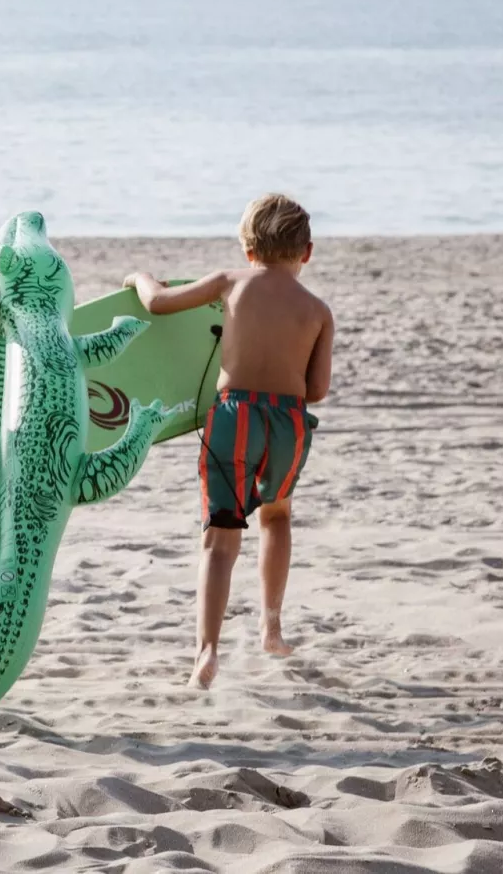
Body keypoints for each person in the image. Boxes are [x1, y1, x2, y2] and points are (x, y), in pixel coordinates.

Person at [124, 192, 333, 689]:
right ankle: (271, 627)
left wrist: (138, 278)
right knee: (276, 517)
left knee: (220, 540)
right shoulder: (318, 310)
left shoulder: (229, 282)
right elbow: (318, 391)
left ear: (246, 249)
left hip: (232, 418)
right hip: (287, 423)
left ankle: (207, 651)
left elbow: (158, 303)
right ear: (307, 252)